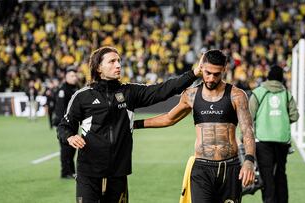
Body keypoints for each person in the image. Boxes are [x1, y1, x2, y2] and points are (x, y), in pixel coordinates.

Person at [57, 46, 202, 202]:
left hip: (118, 172)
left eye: (119, 61)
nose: (118, 65)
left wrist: (193, 74)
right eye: (112, 61)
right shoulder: (82, 96)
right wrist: (70, 136)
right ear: (99, 67)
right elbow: (64, 126)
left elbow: (163, 90)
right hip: (89, 173)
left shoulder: (129, 92)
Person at [134, 49, 256, 203]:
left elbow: (247, 130)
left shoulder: (237, 95)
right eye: (207, 73)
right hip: (201, 169)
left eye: (216, 74)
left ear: (224, 70)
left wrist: (249, 160)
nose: (211, 78)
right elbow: (169, 118)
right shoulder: (190, 95)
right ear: (201, 68)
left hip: (230, 168)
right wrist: (134, 124)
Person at [249, 65, 299, 203]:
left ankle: (269, 200)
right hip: (282, 140)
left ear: (268, 77)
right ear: (281, 79)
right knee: (280, 173)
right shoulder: (286, 94)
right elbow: (294, 116)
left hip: (263, 141)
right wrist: (280, 118)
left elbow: (249, 116)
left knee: (266, 175)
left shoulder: (258, 92)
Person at [53, 67, 79, 179]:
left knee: (72, 148)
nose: (74, 78)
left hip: (73, 123)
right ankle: (65, 172)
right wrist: (62, 125)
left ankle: (71, 171)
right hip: (65, 125)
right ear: (66, 77)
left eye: (75, 76)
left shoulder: (75, 89)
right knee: (66, 149)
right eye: (72, 76)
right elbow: (60, 109)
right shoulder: (63, 90)